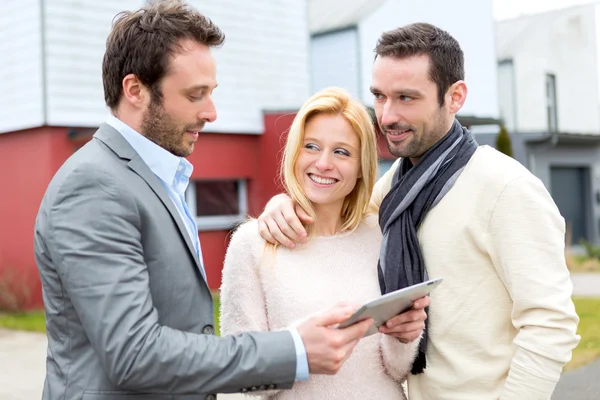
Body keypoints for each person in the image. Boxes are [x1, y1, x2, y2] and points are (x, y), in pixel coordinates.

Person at [32, 2, 374, 400]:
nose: (211, 112)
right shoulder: (94, 185)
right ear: (136, 90)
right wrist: (294, 349)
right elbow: (133, 354)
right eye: (195, 95)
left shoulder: (155, 176)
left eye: (211, 93)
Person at [257, 23, 580, 400]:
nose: (387, 115)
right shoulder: (393, 187)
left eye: (406, 98)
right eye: (379, 96)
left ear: (455, 96)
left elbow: (551, 324)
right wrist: (282, 203)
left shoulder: (506, 189)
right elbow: (340, 219)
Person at [219, 87, 422, 400]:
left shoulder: (381, 233)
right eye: (311, 146)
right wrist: (299, 350)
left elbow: (396, 370)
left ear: (361, 168)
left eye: (341, 152)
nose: (324, 163)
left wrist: (405, 336)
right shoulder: (253, 244)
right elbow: (238, 377)